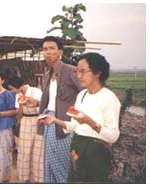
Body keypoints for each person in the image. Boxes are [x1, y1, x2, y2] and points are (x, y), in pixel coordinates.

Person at [40, 53, 121, 183]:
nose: (78, 76)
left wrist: (90, 122)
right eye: (78, 71)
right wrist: (55, 121)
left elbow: (113, 136)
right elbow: (75, 126)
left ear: (97, 73)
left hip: (96, 154)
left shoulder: (109, 98)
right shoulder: (82, 95)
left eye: (83, 72)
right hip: (77, 150)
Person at [37, 36, 82, 183]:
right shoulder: (48, 74)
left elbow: (86, 93)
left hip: (64, 123)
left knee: (61, 164)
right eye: (45, 49)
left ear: (60, 52)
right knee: (49, 163)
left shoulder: (71, 71)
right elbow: (50, 101)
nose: (48, 52)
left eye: (52, 48)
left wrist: (79, 116)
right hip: (49, 121)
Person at [7, 77, 44, 183]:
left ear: (17, 86)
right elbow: (19, 115)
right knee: (24, 151)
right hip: (25, 122)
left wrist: (33, 103)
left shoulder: (36, 91)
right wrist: (20, 105)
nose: (12, 91)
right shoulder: (18, 95)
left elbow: (43, 107)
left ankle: (38, 180)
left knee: (38, 152)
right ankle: (25, 179)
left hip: (38, 120)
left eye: (12, 89)